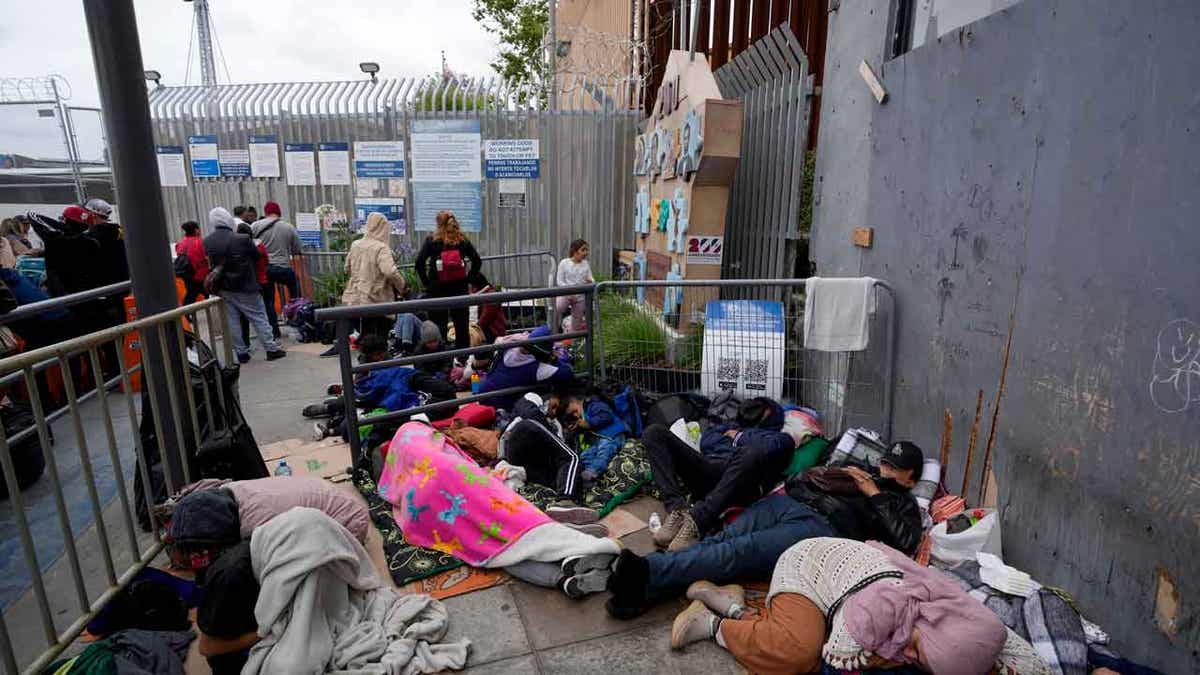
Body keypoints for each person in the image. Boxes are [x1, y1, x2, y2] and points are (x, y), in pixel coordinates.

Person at [605, 441, 926, 620]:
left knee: (736, 552)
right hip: (790, 505)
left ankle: (647, 570)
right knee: (721, 540)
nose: (885, 470)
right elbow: (798, 480)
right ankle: (647, 590)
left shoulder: (903, 504)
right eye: (885, 462)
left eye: (894, 468)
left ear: (910, 476)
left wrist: (875, 494)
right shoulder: (861, 473)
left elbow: (905, 540)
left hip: (821, 530)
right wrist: (837, 474)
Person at [669, 537, 1011, 675]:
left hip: (840, 588)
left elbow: (991, 638)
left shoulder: (947, 618)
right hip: (806, 569)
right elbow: (837, 655)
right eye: (918, 652)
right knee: (802, 652)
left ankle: (733, 606)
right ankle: (714, 625)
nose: (911, 655)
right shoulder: (886, 604)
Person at [380, 420, 619, 599]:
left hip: (441, 517)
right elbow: (472, 470)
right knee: (517, 522)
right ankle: (572, 548)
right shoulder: (441, 453)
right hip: (466, 488)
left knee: (493, 551)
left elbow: (398, 503)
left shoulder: (402, 480)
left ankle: (562, 579)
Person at [646, 397, 795, 552]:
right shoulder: (731, 426)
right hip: (709, 467)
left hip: (740, 481)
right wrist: (736, 435)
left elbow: (765, 448)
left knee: (750, 453)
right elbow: (707, 441)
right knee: (654, 433)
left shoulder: (781, 439)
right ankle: (677, 511)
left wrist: (737, 437)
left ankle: (697, 521)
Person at [203, 207, 285, 363]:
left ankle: (241, 353)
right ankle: (271, 349)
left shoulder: (208, 241)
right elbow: (256, 257)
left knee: (232, 320)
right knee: (259, 316)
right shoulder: (241, 239)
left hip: (224, 288)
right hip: (246, 285)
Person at [415, 210, 481, 349]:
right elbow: (477, 261)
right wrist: (468, 280)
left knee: (439, 327)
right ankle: (462, 359)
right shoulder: (462, 240)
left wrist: (427, 284)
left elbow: (419, 263)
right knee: (462, 327)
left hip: (437, 290)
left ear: (439, 224)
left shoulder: (432, 241)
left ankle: (442, 360)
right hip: (459, 289)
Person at [339, 211, 405, 346]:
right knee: (379, 335)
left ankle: (364, 360)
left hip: (356, 294)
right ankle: (377, 362)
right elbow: (390, 272)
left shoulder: (356, 244)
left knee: (366, 331)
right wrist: (403, 286)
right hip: (377, 296)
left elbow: (347, 267)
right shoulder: (381, 248)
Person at [478, 325, 575, 409]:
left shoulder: (509, 345)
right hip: (500, 404)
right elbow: (567, 373)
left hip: (483, 392)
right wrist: (555, 360)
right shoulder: (536, 369)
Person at [563, 393, 628, 482]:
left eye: (575, 412)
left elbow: (607, 416)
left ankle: (593, 471)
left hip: (613, 435)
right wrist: (578, 429)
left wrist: (589, 423)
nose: (576, 416)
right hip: (599, 441)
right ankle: (592, 475)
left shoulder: (593, 405)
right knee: (584, 455)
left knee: (604, 451)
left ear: (574, 402)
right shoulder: (583, 414)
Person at [251, 200, 302, 310]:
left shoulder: (255, 226)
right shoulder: (289, 227)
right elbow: (297, 249)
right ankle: (296, 310)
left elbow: (248, 244)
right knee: (294, 285)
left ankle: (272, 325)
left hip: (264, 269)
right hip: (283, 267)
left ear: (266, 213)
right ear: (279, 212)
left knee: (268, 300)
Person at [237, 222, 274, 344]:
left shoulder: (239, 249)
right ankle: (272, 336)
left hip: (247, 284)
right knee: (267, 310)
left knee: (244, 316)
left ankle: (245, 342)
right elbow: (266, 261)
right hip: (263, 281)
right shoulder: (259, 245)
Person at [555, 239, 594, 331]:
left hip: (580, 297)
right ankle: (554, 331)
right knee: (559, 308)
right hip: (565, 293)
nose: (586, 252)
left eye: (587, 250)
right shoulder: (564, 263)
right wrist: (568, 293)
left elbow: (591, 278)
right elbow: (559, 281)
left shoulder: (586, 264)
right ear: (575, 251)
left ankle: (572, 341)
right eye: (583, 250)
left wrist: (590, 281)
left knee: (577, 321)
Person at [175, 221, 209, 306]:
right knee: (200, 293)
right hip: (199, 274)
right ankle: (187, 314)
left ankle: (189, 314)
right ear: (196, 230)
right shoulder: (200, 242)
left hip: (186, 274)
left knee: (192, 293)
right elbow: (205, 257)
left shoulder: (180, 243)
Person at [470, 272, 506, 343]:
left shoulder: (489, 296)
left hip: (492, 333)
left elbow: (485, 319)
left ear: (474, 286)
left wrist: (473, 330)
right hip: (486, 331)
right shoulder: (480, 295)